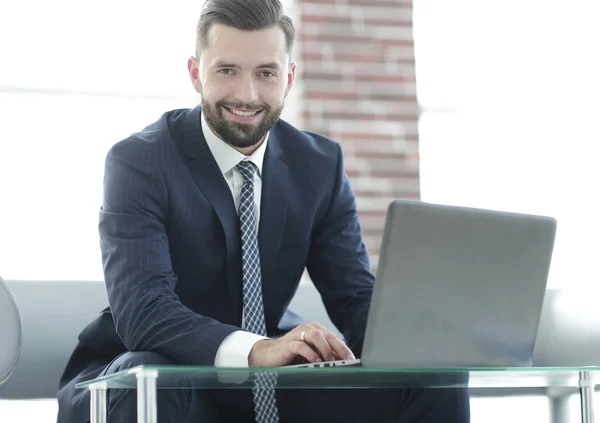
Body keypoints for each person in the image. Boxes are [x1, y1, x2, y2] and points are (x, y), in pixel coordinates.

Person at [56, 0, 470, 422]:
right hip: (141, 374)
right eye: (226, 70)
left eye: (266, 73)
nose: (247, 95)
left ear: (288, 79)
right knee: (158, 378)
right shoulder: (140, 162)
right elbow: (144, 310)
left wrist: (421, 346)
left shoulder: (319, 167)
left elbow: (354, 297)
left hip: (266, 378)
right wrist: (257, 350)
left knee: (434, 380)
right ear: (196, 73)